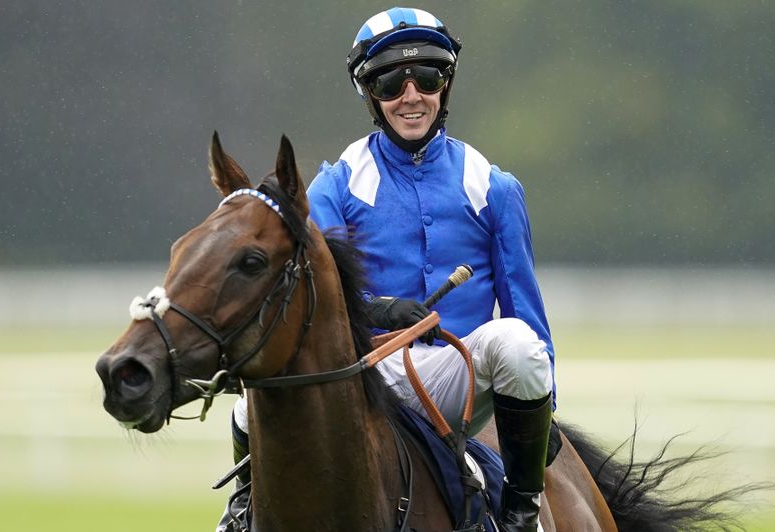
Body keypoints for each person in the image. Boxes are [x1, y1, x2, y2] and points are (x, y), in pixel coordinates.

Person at [219, 7, 555, 532]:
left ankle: (521, 511)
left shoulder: (494, 188)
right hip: (364, 376)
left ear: (446, 86)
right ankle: (243, 507)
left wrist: (543, 403)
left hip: (457, 376)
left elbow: (526, 313)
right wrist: (377, 309)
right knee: (250, 398)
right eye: (390, 82)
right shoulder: (336, 185)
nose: (411, 95)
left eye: (427, 77)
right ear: (369, 95)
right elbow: (311, 292)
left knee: (516, 342)